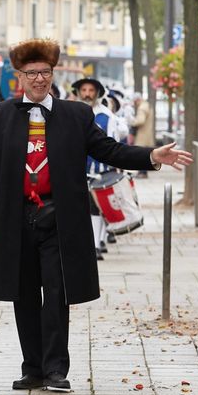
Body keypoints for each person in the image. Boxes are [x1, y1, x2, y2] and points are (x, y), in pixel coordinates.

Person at [0, 39, 188, 392]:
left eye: (45, 72)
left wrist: (151, 156)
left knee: (56, 292)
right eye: (32, 73)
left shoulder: (76, 115)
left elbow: (110, 150)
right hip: (16, 218)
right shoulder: (0, 116)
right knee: (23, 294)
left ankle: (57, 369)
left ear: (53, 75)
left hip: (59, 218)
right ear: (19, 78)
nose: (39, 79)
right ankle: (33, 367)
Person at [72, 77, 126, 259]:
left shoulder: (107, 116)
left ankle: (96, 244)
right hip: (76, 167)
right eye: (84, 90)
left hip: (100, 170)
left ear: (97, 93)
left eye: (91, 90)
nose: (87, 94)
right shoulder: (71, 113)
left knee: (97, 207)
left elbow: (113, 142)